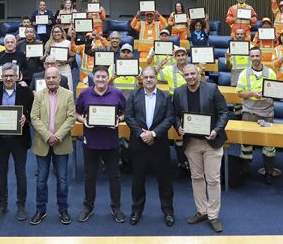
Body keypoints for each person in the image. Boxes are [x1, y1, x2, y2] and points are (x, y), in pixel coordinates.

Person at [173, 64, 229, 233]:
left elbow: (224, 112)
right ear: (183, 76)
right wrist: (178, 127)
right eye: (186, 75)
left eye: (192, 74)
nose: (190, 77)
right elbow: (175, 115)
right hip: (191, 142)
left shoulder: (212, 89)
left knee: (213, 180)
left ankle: (213, 215)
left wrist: (215, 131)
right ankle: (202, 211)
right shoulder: (178, 92)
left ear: (198, 73)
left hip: (211, 141)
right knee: (196, 178)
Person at [75, 66, 127, 223]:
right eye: (97, 76)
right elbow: (77, 113)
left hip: (111, 142)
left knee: (114, 177)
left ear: (108, 77)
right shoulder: (84, 93)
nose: (100, 80)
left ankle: (116, 208)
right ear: (93, 77)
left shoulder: (117, 93)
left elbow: (125, 112)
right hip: (91, 141)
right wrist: (84, 120)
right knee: (90, 176)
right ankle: (88, 207)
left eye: (103, 77)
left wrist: (119, 119)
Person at [125, 65, 175, 226]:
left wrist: (153, 134)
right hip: (138, 145)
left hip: (159, 144)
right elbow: (128, 117)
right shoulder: (133, 95)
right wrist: (142, 134)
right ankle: (136, 210)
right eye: (145, 77)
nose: (148, 80)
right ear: (141, 79)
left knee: (164, 181)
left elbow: (169, 118)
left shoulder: (165, 97)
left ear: (156, 79)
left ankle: (168, 211)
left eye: (151, 77)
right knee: (138, 180)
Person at [0, 63, 33, 221]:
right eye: (6, 76)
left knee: (20, 174)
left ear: (17, 76)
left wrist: (27, 117)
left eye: (11, 75)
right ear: (1, 77)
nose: (9, 78)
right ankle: (2, 205)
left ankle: (21, 206)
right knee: (1, 175)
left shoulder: (26, 92)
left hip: (19, 140)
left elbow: (33, 113)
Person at [30, 66, 77, 226]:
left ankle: (63, 209)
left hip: (61, 142)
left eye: (54, 77)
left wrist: (57, 136)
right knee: (41, 180)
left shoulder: (68, 94)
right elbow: (34, 117)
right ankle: (40, 209)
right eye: (48, 77)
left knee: (62, 180)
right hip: (42, 142)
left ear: (59, 79)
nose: (51, 80)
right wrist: (48, 136)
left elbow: (71, 118)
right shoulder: (38, 95)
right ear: (45, 79)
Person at [235, 47, 279, 185]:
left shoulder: (270, 73)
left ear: (262, 56)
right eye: (252, 56)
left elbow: (276, 90)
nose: (255, 58)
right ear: (250, 58)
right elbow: (240, 93)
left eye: (257, 56)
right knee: (246, 143)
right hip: (249, 112)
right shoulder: (244, 73)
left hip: (266, 112)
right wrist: (253, 93)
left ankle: (269, 172)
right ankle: (243, 170)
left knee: (269, 145)